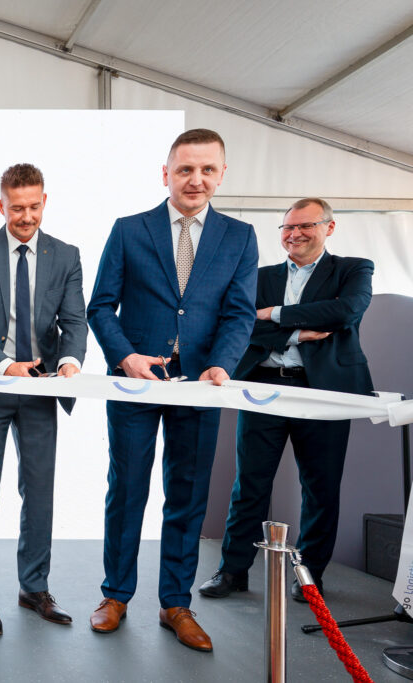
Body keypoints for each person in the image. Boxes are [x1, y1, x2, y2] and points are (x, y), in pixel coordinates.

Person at [86, 129, 257, 652]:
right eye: (185, 169)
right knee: (127, 490)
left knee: (187, 494)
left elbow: (239, 313)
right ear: (166, 173)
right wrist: (125, 357)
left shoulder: (240, 237)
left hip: (201, 386)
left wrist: (220, 366)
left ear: (222, 175)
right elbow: (100, 306)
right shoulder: (129, 229)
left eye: (207, 169)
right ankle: (116, 595)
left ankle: (175, 604)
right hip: (136, 381)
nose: (195, 179)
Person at [199, 198, 373, 603]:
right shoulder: (260, 276)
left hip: (323, 392)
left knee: (320, 487)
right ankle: (232, 571)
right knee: (250, 485)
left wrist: (273, 314)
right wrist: (297, 333)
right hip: (264, 389)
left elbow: (345, 312)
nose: (295, 234)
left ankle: (310, 576)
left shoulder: (353, 269)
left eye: (305, 225)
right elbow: (238, 325)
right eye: (288, 227)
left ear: (329, 227)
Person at [0, 163, 87, 636]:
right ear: (0, 205)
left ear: (44, 202)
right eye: (16, 208)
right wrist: (4, 366)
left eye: (33, 206)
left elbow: (75, 321)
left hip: (41, 387)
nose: (26, 216)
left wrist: (70, 362)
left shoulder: (66, 255)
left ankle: (34, 587)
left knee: (39, 492)